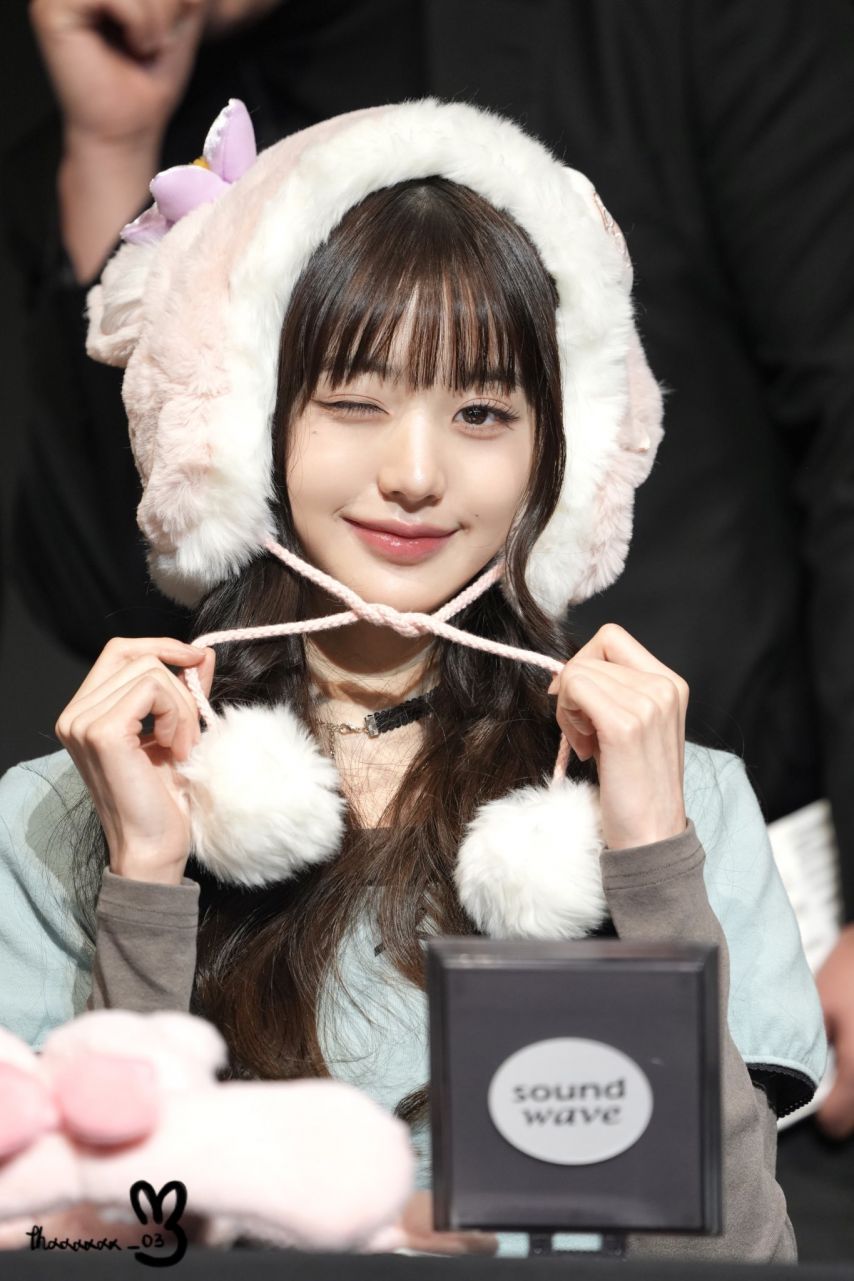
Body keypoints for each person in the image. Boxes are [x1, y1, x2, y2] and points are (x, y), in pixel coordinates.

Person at [0, 97, 824, 1260]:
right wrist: (144, 880)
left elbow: (735, 1263)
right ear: (239, 428)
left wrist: (649, 865)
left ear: (557, 454)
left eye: (481, 410)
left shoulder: (680, 803)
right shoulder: (58, 816)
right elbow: (80, 1253)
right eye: (353, 401)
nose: (416, 473)